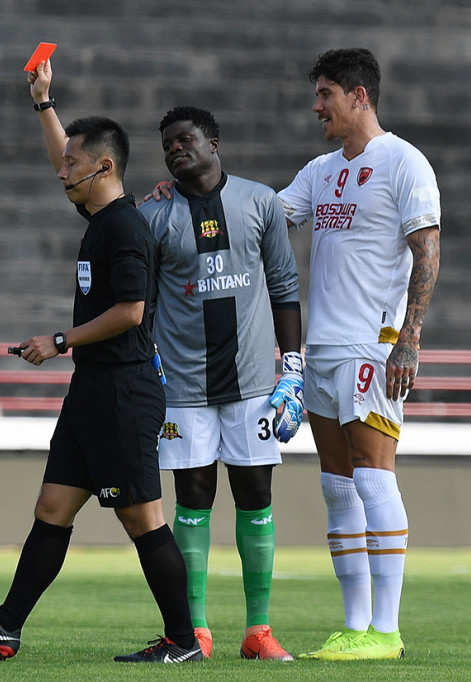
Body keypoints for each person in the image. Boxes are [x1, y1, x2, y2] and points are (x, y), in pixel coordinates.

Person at [0, 61, 201, 665]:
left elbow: (131, 311)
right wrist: (43, 104)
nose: (62, 172)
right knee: (51, 508)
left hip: (123, 392)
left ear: (103, 167)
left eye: (73, 166)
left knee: (142, 517)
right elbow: (69, 155)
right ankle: (6, 626)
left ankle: (184, 643)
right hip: (92, 391)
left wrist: (60, 339)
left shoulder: (125, 228)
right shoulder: (100, 216)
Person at [277, 48, 441, 661]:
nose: (317, 105)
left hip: (372, 346)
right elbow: (269, 217)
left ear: (359, 96)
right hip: (321, 349)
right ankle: (355, 627)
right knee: (337, 486)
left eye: (325, 94)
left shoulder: (404, 162)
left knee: (374, 477)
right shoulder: (319, 171)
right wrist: (201, 191)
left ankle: (388, 630)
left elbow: (426, 252)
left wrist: (409, 338)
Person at [138, 105, 302, 661]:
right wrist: (150, 366)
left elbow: (283, 285)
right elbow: (145, 302)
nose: (175, 149)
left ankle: (258, 630)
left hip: (254, 382)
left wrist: (294, 369)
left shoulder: (260, 202)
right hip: (183, 387)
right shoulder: (154, 214)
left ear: (213, 142)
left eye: (184, 140)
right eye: (167, 145)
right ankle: (197, 631)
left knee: (255, 494)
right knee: (193, 497)